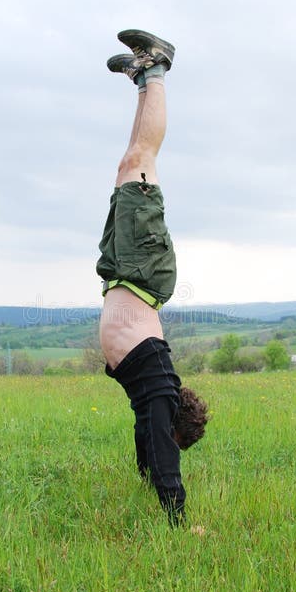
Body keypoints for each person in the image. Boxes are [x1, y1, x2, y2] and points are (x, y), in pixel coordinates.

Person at [96, 29, 209, 526]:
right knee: (143, 162)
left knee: (127, 164)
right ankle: (159, 69)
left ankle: (142, 78)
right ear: (176, 427)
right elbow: (164, 459)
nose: (167, 443)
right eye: (174, 440)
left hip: (126, 271)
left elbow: (149, 449)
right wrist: (179, 520)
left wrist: (147, 476)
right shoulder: (160, 390)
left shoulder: (150, 403)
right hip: (142, 269)